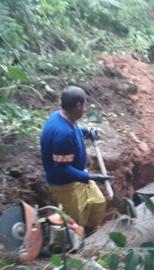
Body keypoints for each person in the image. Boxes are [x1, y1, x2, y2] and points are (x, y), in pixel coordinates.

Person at [40, 86, 112, 231]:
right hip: (65, 184)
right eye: (84, 104)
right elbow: (61, 169)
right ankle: (76, 246)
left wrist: (85, 131)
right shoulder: (62, 134)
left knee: (98, 202)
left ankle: (90, 231)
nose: (85, 109)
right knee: (75, 220)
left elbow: (74, 130)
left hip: (79, 175)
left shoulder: (63, 118)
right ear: (78, 105)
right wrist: (92, 177)